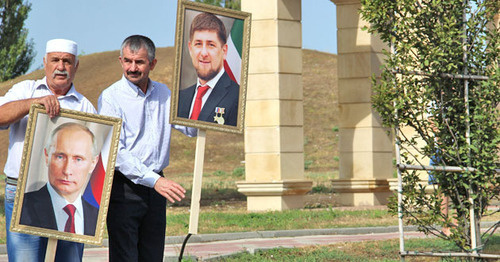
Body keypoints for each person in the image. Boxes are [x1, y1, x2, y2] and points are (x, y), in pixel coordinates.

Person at [98, 35, 196, 262]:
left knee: (152, 255)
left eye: (139, 62)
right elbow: (116, 152)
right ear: (120, 60)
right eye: (128, 61)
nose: (132, 68)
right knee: (125, 257)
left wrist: (207, 106)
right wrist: (154, 180)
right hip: (123, 189)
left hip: (155, 191)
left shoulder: (164, 94)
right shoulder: (111, 98)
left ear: (152, 64)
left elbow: (190, 129)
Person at [0, 39, 96, 261]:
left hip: (67, 198)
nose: (60, 67)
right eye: (55, 60)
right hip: (24, 193)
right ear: (45, 62)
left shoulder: (84, 106)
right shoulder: (26, 89)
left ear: (76, 66)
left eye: (67, 61)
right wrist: (34, 103)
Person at [20, 122, 99, 236]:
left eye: (78, 159)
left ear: (93, 163)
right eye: (60, 157)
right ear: (47, 156)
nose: (67, 170)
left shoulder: (96, 217)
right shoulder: (23, 208)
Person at [178, 12, 240, 126]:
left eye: (211, 45)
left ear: (224, 51)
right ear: (190, 48)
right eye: (198, 44)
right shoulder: (179, 98)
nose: (204, 53)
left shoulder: (238, 98)